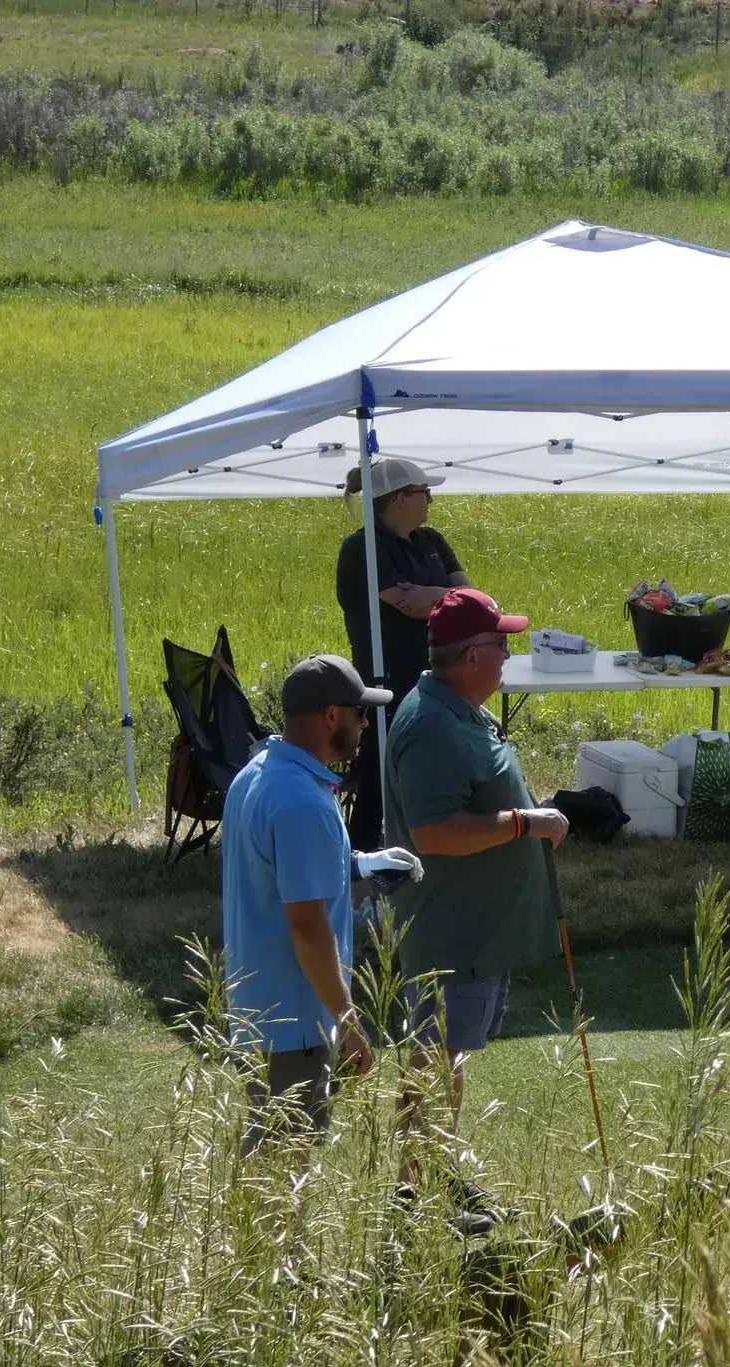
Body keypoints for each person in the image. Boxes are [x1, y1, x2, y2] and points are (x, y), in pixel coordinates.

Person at [382, 590, 570, 1189]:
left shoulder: (455, 708)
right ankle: (413, 1194)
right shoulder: (431, 726)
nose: (508, 656)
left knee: (449, 1056)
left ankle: (434, 1174)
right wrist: (524, 822)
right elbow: (433, 833)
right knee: (434, 1059)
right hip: (451, 933)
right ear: (469, 656)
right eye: (500, 646)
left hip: (475, 931)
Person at [220, 655, 423, 1156]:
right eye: (359, 712)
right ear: (332, 716)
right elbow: (308, 928)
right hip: (297, 1018)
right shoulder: (303, 803)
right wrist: (349, 1022)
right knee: (280, 1163)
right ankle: (267, 1241)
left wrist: (359, 865)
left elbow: (277, 874)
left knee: (266, 1148)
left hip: (257, 1007)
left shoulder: (257, 775)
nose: (365, 724)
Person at [335, 456, 473, 850]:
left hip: (439, 675)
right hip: (387, 679)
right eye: (424, 492)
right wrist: (445, 597)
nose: (431, 499)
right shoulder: (362, 549)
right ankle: (361, 853)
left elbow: (470, 597)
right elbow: (407, 605)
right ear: (398, 499)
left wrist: (431, 595)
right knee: (381, 772)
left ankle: (428, 838)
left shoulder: (432, 541)